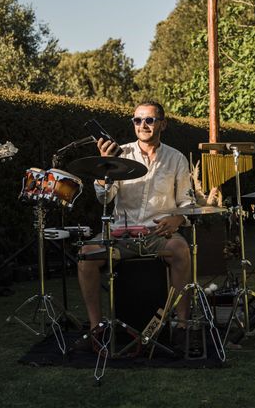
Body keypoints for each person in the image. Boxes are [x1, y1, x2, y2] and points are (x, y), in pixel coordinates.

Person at [77, 101, 195, 348]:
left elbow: (187, 202)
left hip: (157, 234)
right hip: (120, 235)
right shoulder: (121, 154)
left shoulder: (176, 159)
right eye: (137, 120)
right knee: (86, 255)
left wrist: (177, 219)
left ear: (162, 123)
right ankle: (96, 329)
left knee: (182, 250)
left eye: (149, 120)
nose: (143, 125)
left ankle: (182, 326)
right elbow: (104, 198)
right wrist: (104, 167)